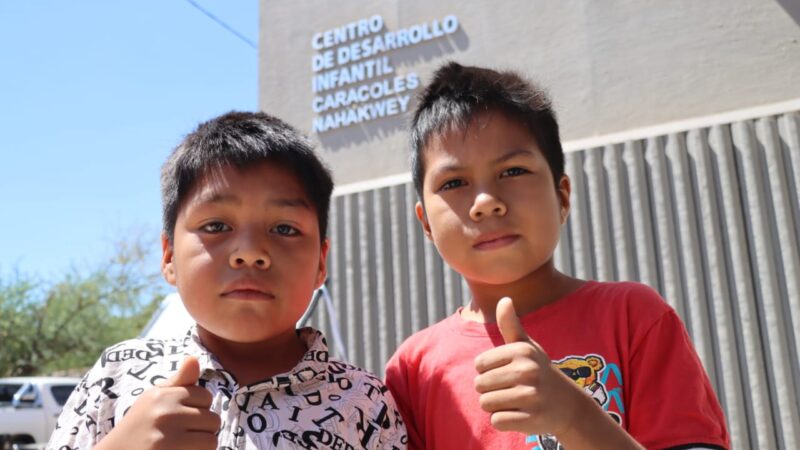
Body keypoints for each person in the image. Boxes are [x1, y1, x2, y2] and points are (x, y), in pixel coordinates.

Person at [384, 62, 729, 450]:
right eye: (454, 183)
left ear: (562, 196)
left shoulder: (635, 316)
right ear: (426, 223)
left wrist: (575, 418)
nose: (485, 203)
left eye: (513, 171)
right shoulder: (412, 370)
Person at [47, 111, 407, 450]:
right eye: (216, 226)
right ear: (169, 255)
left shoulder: (363, 401)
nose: (250, 252)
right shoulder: (119, 375)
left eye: (284, 228)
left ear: (320, 264)